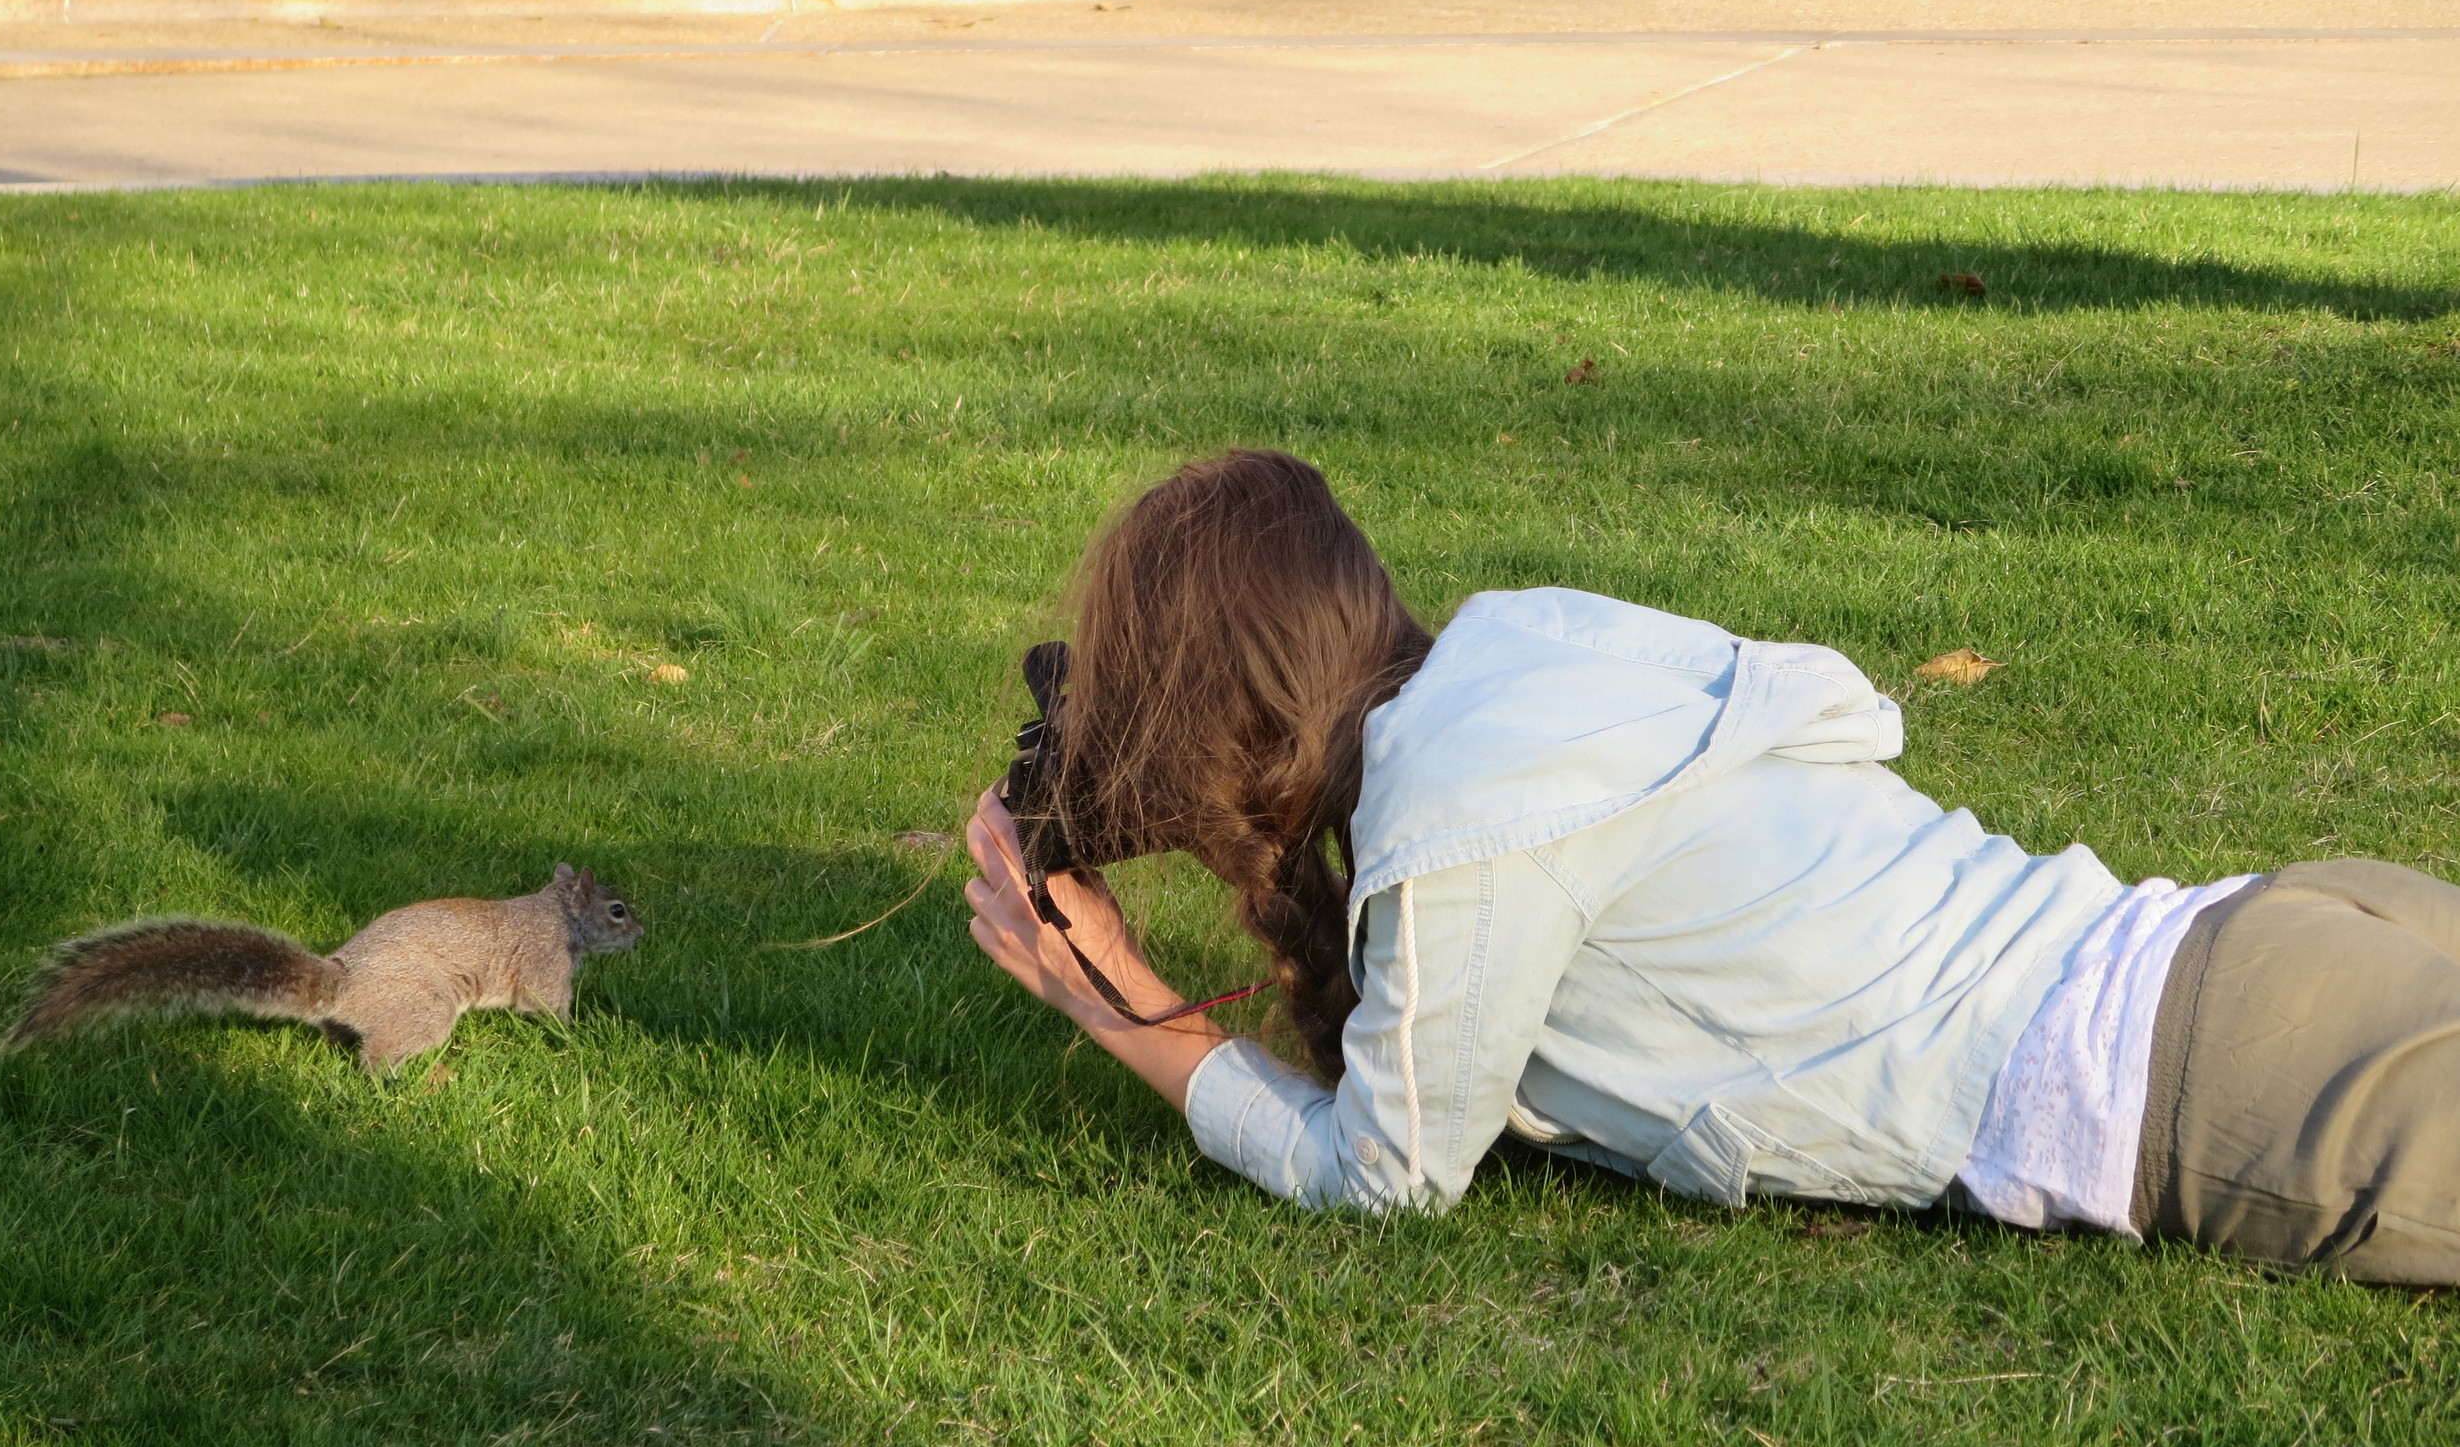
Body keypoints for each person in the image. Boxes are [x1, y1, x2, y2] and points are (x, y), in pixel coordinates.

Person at [963, 449, 2460, 1285]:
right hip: (2270, 936)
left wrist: (1129, 1013)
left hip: (2217, 1080)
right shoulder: (1515, 651)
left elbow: (1389, 1179)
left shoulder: (1460, 829)